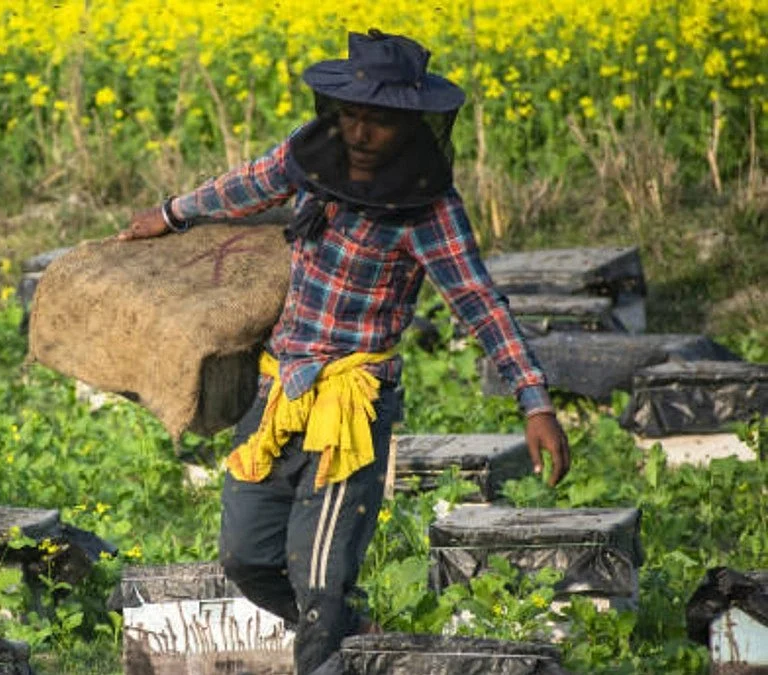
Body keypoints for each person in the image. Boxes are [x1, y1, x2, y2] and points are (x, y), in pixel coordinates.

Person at [118, 30, 571, 674]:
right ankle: (356, 637)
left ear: (411, 125)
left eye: (379, 121)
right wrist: (171, 213)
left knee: (321, 585)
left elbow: (480, 302)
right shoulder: (314, 160)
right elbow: (246, 186)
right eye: (352, 115)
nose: (360, 133)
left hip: (351, 406)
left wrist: (535, 402)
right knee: (245, 556)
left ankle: (332, 647)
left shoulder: (428, 210)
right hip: (277, 394)